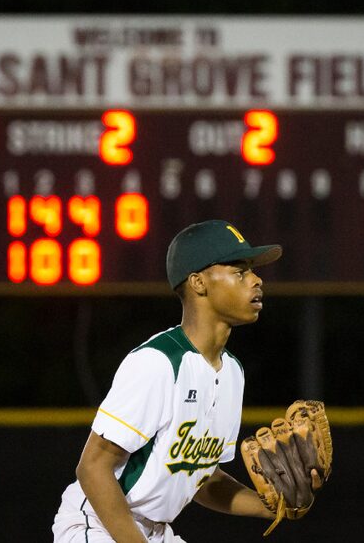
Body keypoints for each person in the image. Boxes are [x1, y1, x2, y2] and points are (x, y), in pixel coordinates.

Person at [52, 219, 282, 542]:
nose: (256, 280)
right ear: (199, 283)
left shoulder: (233, 373)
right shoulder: (157, 363)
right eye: (240, 271)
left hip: (154, 531)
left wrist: (269, 505)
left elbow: (202, 479)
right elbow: (92, 468)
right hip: (97, 523)